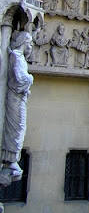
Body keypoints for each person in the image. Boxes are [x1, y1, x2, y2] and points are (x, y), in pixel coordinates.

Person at [1, 30, 34, 179]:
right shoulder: (16, 56)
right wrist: (31, 78)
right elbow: (21, 79)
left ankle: (11, 159)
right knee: (17, 128)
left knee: (19, 128)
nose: (31, 45)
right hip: (14, 98)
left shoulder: (19, 57)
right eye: (29, 42)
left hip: (19, 98)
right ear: (23, 42)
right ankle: (10, 159)